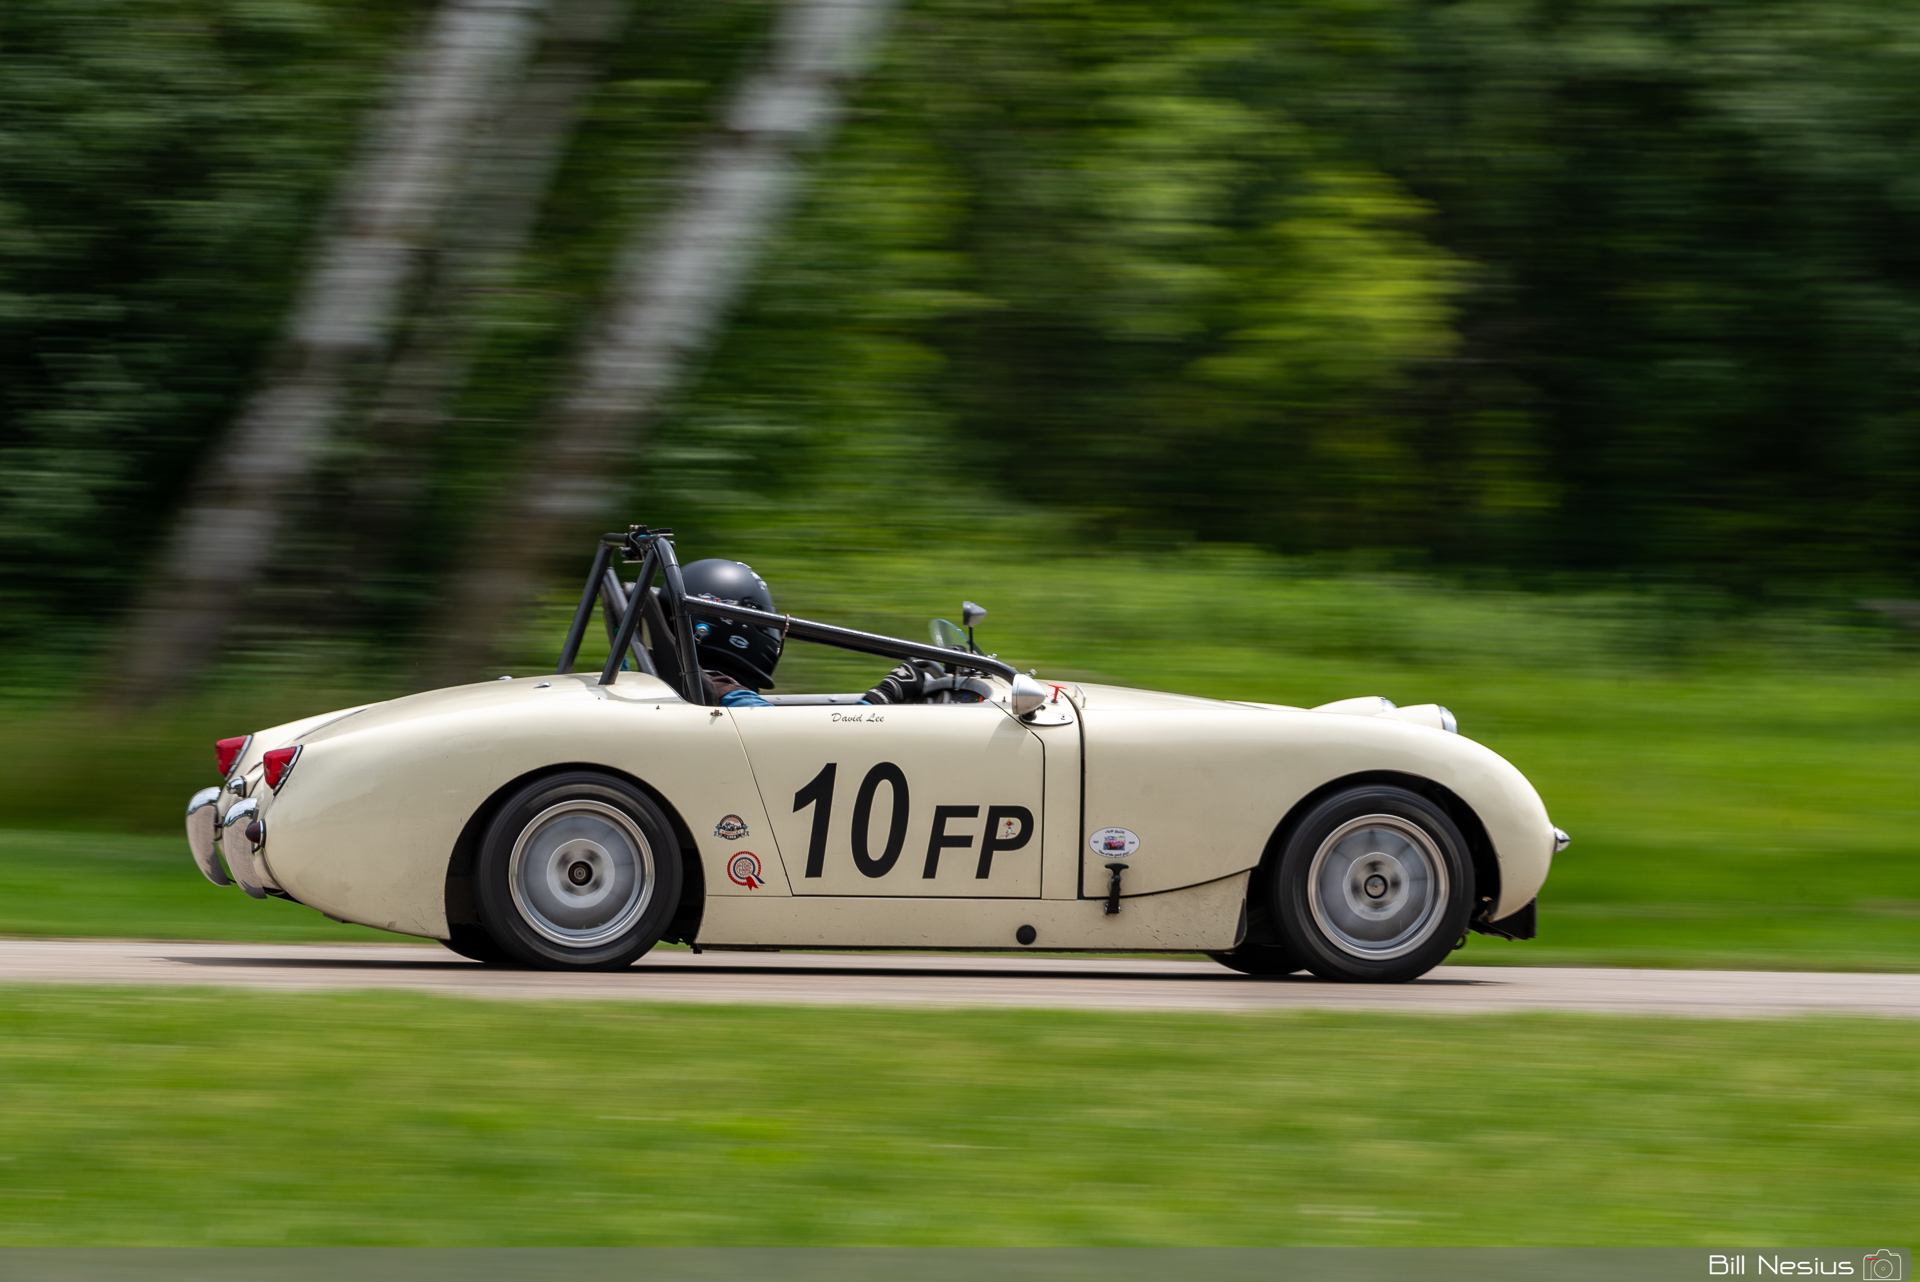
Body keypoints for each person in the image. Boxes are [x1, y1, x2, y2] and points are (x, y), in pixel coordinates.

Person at [680, 558, 937, 708]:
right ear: (729, 622)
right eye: (759, 619)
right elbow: (807, 746)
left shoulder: (686, 682)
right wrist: (885, 695)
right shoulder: (725, 694)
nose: (772, 633)